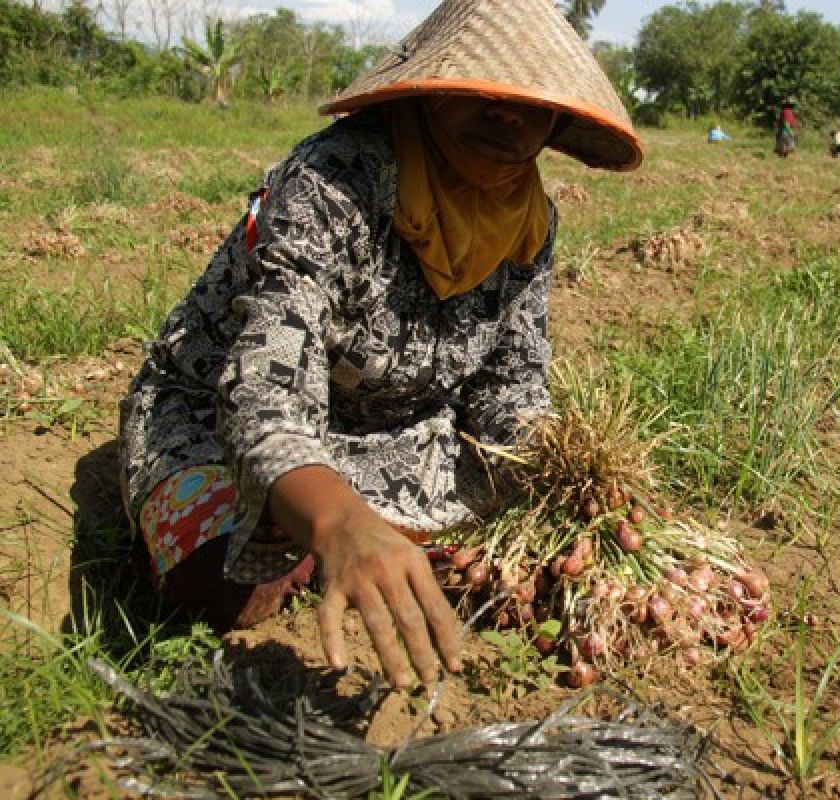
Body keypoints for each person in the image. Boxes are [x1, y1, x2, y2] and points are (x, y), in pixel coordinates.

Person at [117, 0, 642, 690]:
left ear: (556, 120)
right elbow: (262, 387)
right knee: (224, 583)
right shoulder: (334, 181)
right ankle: (346, 542)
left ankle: (375, 549)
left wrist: (564, 471)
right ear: (431, 88)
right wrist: (337, 521)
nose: (507, 115)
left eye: (530, 102)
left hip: (400, 432)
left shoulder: (531, 221)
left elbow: (510, 390)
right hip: (219, 417)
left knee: (535, 539)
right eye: (483, 91)